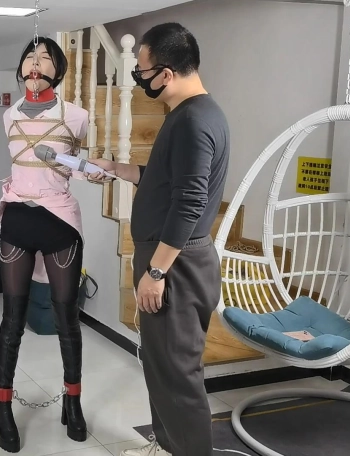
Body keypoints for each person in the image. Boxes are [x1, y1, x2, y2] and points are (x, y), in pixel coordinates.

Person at [89, 23, 230, 456]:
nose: (138, 80)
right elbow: (170, 180)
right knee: (162, 366)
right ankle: (167, 447)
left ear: (166, 74)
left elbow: (189, 203)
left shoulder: (192, 121)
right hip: (174, 258)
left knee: (178, 375)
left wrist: (156, 271)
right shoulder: (192, 114)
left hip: (176, 264)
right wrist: (119, 169)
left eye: (142, 72)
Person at [0, 37, 90, 453]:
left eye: (45, 57)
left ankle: (73, 401)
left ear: (58, 69)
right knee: (12, 320)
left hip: (59, 222)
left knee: (67, 318)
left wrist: (86, 169)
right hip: (18, 218)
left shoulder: (77, 116)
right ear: (21, 69)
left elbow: (80, 168)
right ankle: (2, 406)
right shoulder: (10, 114)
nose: (35, 64)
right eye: (29, 57)